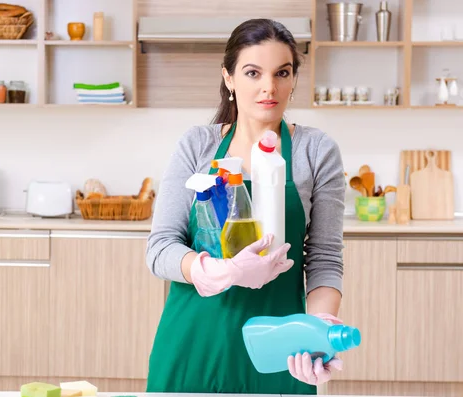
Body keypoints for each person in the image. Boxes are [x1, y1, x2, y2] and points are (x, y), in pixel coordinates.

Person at [144, 18, 346, 395]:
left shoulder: (315, 151)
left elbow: (324, 258)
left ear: (293, 79)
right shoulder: (197, 145)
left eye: (281, 73)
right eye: (252, 72)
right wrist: (219, 271)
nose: (269, 87)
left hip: (280, 350)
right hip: (192, 345)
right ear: (229, 78)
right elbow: (160, 249)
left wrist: (319, 329)